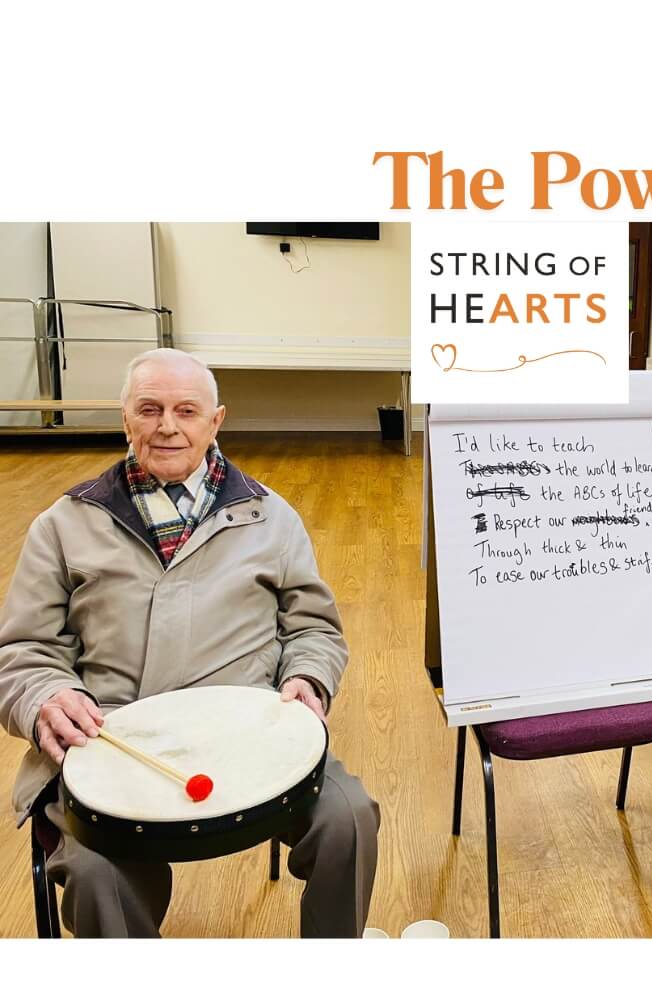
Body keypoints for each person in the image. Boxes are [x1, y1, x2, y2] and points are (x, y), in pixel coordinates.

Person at [0, 348, 379, 937]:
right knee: (98, 873)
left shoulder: (269, 517)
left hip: (250, 736)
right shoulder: (62, 525)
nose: (168, 426)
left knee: (348, 819)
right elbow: (22, 651)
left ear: (215, 421)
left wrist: (307, 676)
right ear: (125, 418)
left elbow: (313, 627)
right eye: (149, 409)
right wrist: (46, 695)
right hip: (113, 744)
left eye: (186, 410)